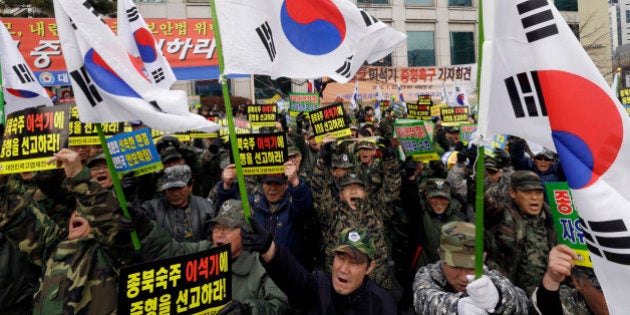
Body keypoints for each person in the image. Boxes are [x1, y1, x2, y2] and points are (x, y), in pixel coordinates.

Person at [0, 148, 134, 314]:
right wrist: (3, 182)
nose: (78, 214)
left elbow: (109, 220)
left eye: (85, 212)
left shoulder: (113, 253)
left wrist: (78, 177)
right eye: (76, 210)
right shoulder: (54, 247)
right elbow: (17, 215)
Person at [121, 198, 292, 315]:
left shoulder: (263, 264)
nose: (220, 234)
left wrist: (248, 310)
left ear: (247, 231)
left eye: (228, 227)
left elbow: (279, 306)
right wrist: (145, 228)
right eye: (217, 227)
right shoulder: (204, 250)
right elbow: (170, 252)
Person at [241, 223, 397, 314]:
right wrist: (269, 248)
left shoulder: (383, 305)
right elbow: (294, 277)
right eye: (340, 258)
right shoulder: (319, 287)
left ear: (370, 267)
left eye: (354, 262)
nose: (343, 269)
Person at [412, 222, 530, 314]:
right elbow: (424, 299)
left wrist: (499, 298)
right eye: (455, 266)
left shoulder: (489, 276)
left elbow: (522, 302)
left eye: (471, 266)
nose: (464, 277)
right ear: (440, 255)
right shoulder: (428, 275)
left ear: (483, 258)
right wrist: (457, 308)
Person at [216, 160, 314, 264]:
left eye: (277, 184)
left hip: (288, 270)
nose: (272, 188)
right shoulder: (252, 204)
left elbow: (305, 208)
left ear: (286, 185)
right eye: (268, 183)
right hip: (257, 270)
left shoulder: (292, 205)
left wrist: (295, 182)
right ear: (262, 185)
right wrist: (226, 186)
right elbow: (228, 209)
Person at [485, 170, 557, 295]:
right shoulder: (500, 214)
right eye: (527, 192)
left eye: (538, 192)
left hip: (547, 294)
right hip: (512, 295)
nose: (534, 198)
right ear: (513, 193)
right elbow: (480, 197)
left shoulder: (553, 218)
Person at [139, 164, 216, 242]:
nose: (175, 194)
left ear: (191, 186)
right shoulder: (153, 208)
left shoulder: (206, 208)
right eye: (170, 189)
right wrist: (131, 196)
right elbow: (137, 218)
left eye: (179, 188)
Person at [531, 245, 609, 315]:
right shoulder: (573, 305)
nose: (617, 296)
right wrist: (551, 280)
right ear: (578, 282)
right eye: (604, 287)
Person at [411, 178, 465, 271]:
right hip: (424, 271)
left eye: (444, 198)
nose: (439, 202)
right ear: (427, 198)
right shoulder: (421, 215)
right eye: (435, 198)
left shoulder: (460, 219)